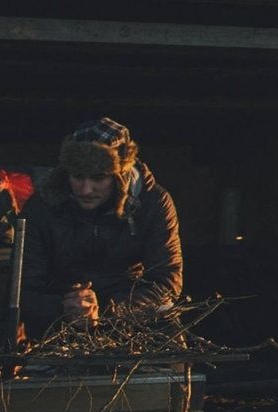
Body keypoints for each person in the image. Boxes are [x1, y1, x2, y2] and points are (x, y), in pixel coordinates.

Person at [20, 118, 183, 337]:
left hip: (133, 324)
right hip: (56, 324)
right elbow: (25, 288)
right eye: (78, 177)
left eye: (98, 178)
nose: (86, 189)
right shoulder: (42, 206)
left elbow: (166, 284)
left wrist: (106, 309)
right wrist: (66, 309)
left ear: (120, 175)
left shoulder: (153, 202)